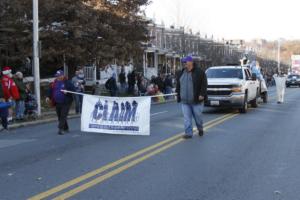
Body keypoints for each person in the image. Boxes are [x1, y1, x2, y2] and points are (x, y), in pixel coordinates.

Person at [176, 56, 207, 139]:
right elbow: (178, 85)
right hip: (185, 101)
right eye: (183, 62)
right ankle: (188, 133)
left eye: (185, 62)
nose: (184, 64)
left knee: (198, 118)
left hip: (196, 100)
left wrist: (202, 94)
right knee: (187, 118)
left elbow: (204, 84)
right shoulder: (181, 73)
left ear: (191, 62)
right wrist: (178, 95)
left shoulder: (199, 72)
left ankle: (200, 128)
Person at [46, 70, 75, 135]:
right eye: (57, 76)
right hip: (57, 102)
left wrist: (67, 91)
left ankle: (60, 129)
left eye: (59, 76)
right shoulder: (54, 82)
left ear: (62, 76)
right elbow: (50, 90)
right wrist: (48, 97)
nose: (57, 77)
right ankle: (66, 128)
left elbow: (73, 89)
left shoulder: (67, 82)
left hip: (66, 102)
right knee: (60, 116)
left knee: (63, 115)